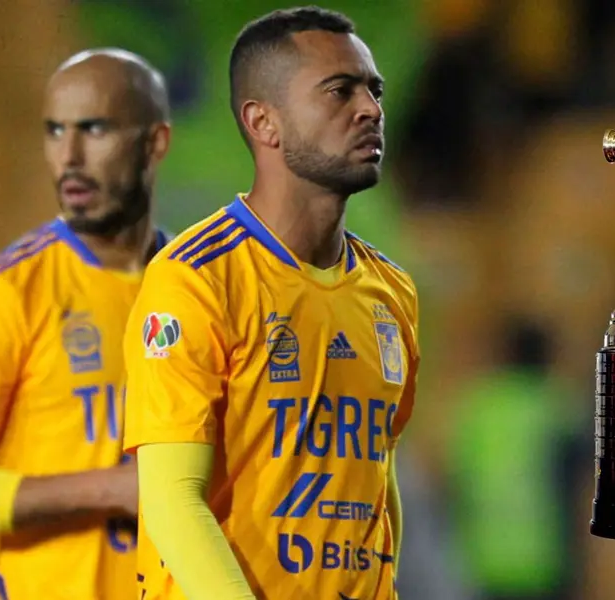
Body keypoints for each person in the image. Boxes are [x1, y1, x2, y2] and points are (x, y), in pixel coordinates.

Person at [122, 7, 418, 600]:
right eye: (339, 91)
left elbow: (375, 481)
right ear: (264, 122)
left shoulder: (392, 293)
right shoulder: (197, 278)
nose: (370, 109)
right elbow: (172, 499)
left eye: (373, 90)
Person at [0, 47, 173, 600]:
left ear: (155, 143)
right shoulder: (5, 291)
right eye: (54, 132)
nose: (69, 156)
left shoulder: (202, 286)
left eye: (94, 129)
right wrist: (116, 490)